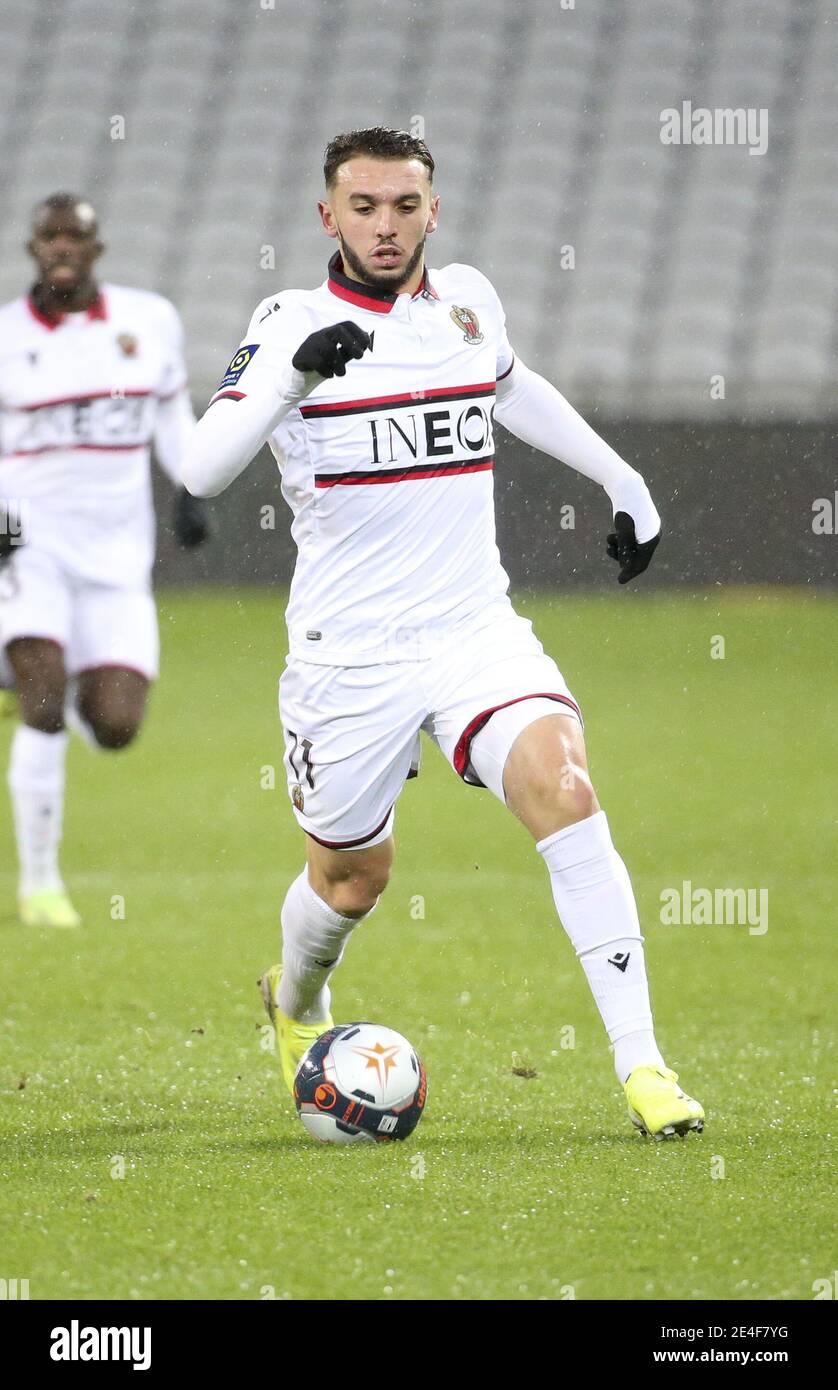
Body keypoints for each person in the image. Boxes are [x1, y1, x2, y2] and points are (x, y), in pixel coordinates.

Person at [183, 127, 704, 1139]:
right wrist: (291, 376)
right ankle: (294, 1002)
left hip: (474, 630)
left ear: (434, 211)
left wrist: (622, 478)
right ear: (326, 216)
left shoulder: (467, 302)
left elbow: (511, 387)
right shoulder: (288, 320)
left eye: (404, 205)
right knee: (350, 879)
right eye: (364, 207)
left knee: (566, 787)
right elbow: (203, 469)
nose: (386, 225)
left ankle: (644, 1069)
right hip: (349, 656)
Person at [0, 193, 208, 928]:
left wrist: (191, 488)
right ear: (32, 249)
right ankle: (41, 886)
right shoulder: (4, 338)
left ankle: (14, 673)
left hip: (119, 555)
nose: (62, 249)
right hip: (31, 545)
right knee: (46, 702)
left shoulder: (147, 322)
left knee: (115, 725)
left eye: (75, 239)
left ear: (96, 250)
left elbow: (169, 414)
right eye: (50, 238)